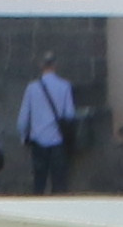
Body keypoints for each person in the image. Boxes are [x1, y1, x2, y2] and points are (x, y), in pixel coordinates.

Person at [20, 53, 81, 196]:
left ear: (41, 65)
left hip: (37, 141)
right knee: (59, 183)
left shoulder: (32, 88)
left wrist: (24, 138)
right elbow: (70, 115)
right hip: (57, 141)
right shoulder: (65, 86)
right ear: (55, 65)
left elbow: (23, 119)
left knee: (39, 183)